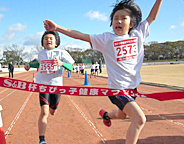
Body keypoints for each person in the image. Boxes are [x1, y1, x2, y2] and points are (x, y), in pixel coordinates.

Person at [43, 0, 162, 143]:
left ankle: (106, 115)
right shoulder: (106, 39)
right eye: (115, 18)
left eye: (123, 18)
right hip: (117, 89)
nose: (118, 21)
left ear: (131, 24)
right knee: (139, 119)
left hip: (132, 88)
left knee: (122, 115)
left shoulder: (138, 34)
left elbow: (152, 17)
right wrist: (57, 28)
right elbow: (81, 35)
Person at [24, 31, 74, 144]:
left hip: (56, 87)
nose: (48, 40)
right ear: (42, 42)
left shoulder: (61, 52)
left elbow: (71, 67)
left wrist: (62, 64)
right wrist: (30, 65)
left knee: (52, 111)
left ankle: (54, 108)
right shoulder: (41, 53)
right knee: (44, 111)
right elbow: (40, 64)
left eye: (51, 38)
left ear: (56, 42)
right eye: (45, 38)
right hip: (43, 85)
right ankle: (42, 140)